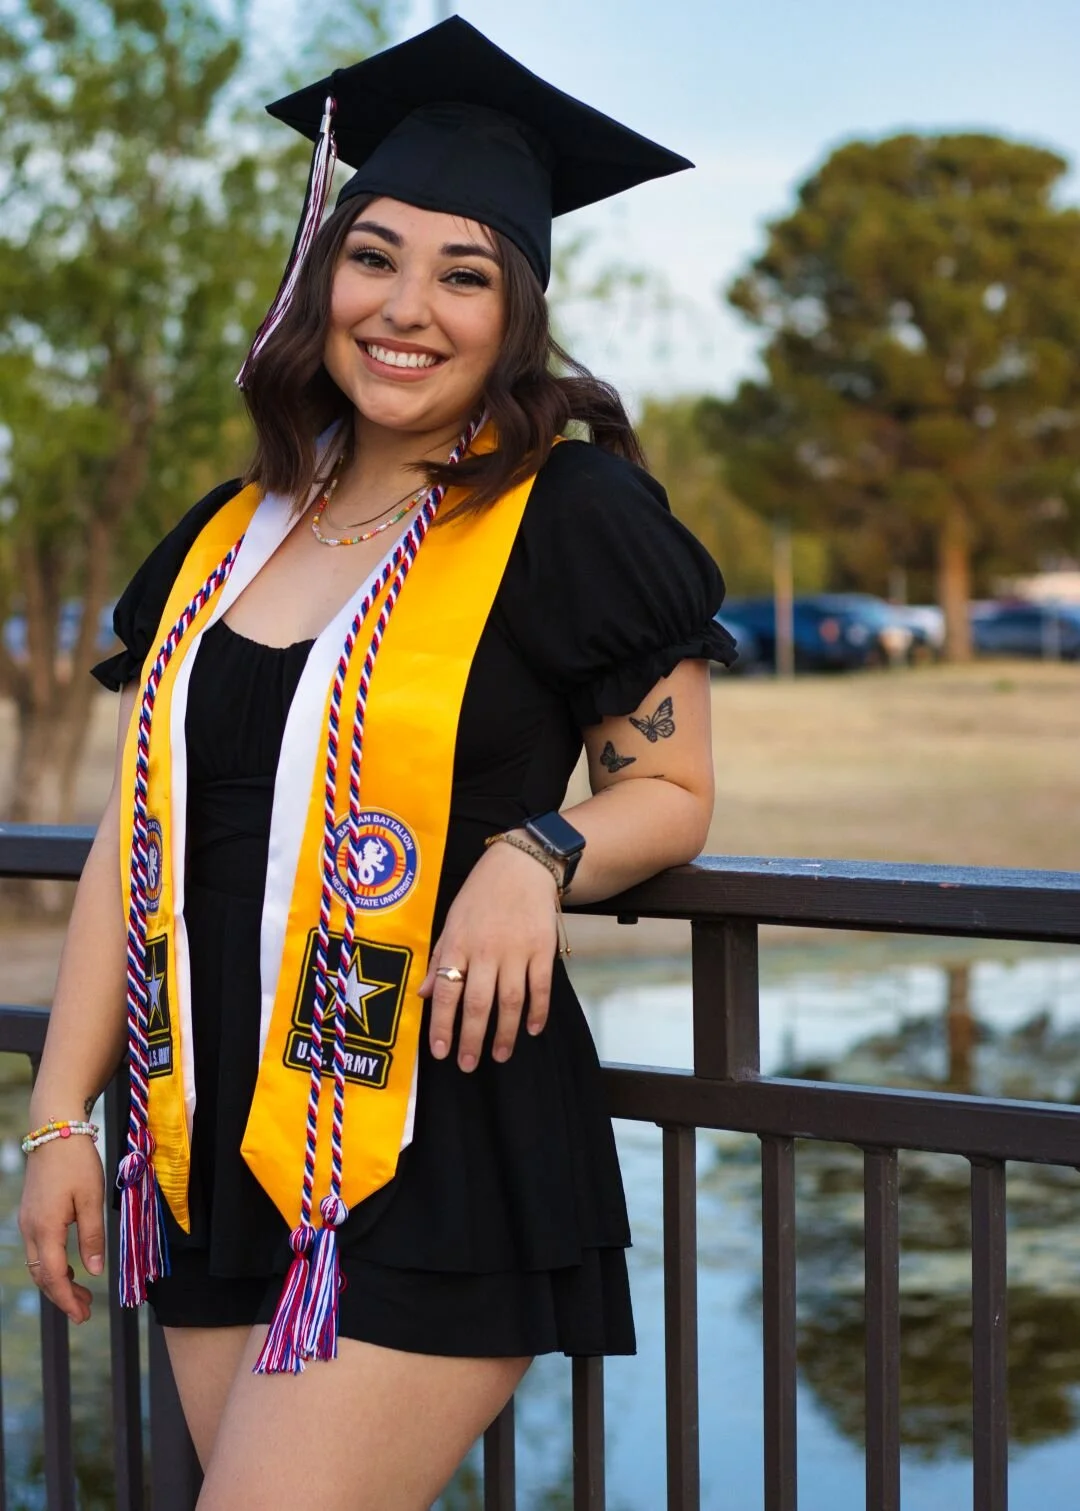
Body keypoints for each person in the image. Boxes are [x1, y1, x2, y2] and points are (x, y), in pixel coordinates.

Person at [18, 18, 736, 1509]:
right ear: (320, 278)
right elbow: (130, 843)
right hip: (211, 1139)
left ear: (516, 312)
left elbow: (670, 792)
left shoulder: (569, 515)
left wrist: (534, 854)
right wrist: (54, 1117)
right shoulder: (231, 531)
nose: (407, 309)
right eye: (375, 257)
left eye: (464, 275)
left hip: (433, 1138)